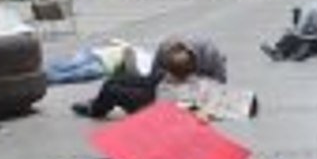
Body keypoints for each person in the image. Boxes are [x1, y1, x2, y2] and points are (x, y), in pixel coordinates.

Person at [71, 37, 227, 118]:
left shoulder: (201, 78)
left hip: (161, 97)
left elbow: (160, 111)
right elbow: (156, 75)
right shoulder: (171, 53)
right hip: (164, 84)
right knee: (115, 79)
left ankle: (96, 108)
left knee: (111, 89)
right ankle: (99, 102)